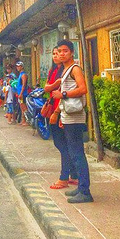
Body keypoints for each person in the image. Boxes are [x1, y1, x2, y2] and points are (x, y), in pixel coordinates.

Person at [50, 39, 93, 203]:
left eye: (65, 51)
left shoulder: (75, 69)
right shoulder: (65, 70)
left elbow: (83, 89)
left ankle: (85, 192)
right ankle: (81, 188)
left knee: (77, 154)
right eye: (59, 51)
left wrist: (64, 95)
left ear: (72, 53)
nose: (61, 54)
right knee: (74, 153)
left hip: (75, 117)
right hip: (68, 116)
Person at [44, 46, 78, 189]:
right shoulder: (55, 71)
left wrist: (56, 112)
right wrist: (54, 85)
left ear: (71, 53)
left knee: (64, 145)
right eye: (55, 53)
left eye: (60, 53)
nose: (57, 55)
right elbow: (47, 88)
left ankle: (65, 177)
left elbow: (64, 92)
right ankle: (73, 174)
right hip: (55, 108)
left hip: (62, 110)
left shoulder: (70, 71)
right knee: (61, 144)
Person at [16, 61, 29, 126]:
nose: (17, 67)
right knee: (21, 107)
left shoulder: (23, 75)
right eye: (17, 66)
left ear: (22, 67)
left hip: (23, 94)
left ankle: (27, 120)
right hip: (19, 94)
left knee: (24, 108)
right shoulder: (20, 74)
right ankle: (23, 120)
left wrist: (21, 93)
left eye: (19, 66)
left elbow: (24, 85)